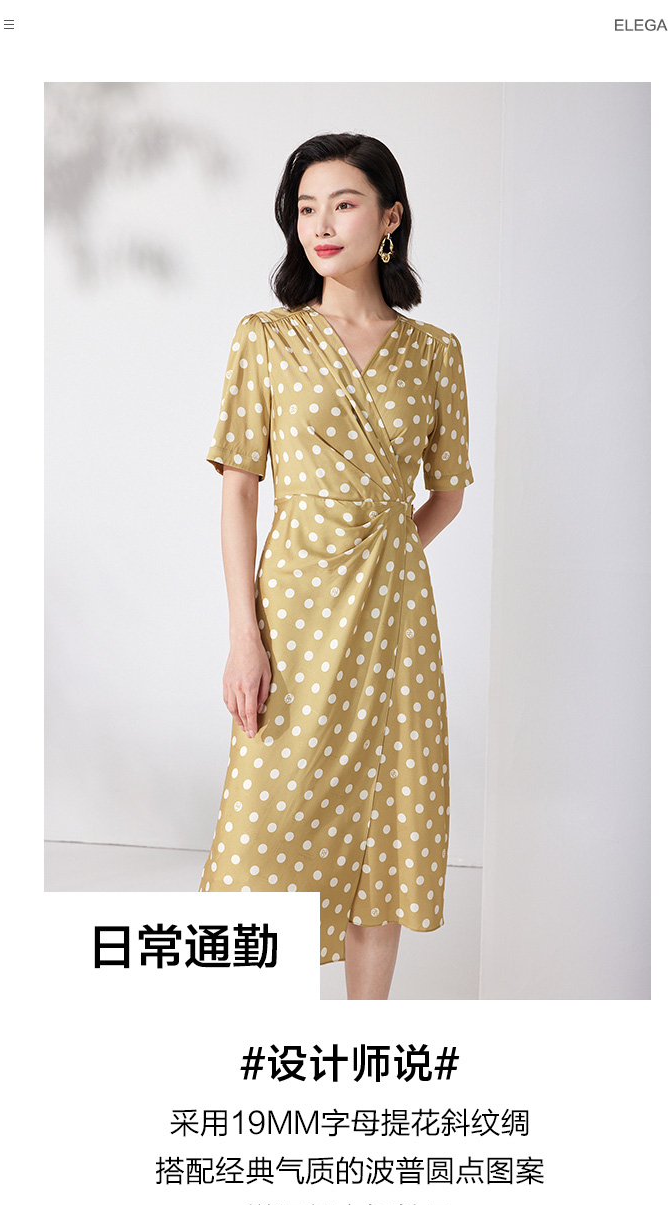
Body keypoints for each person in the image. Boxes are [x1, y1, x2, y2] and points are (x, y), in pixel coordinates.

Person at [199, 132, 473, 1000]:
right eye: (305, 208)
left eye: (343, 204)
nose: (320, 224)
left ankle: (364, 1042)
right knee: (262, 829)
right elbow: (239, 489)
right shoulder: (266, 339)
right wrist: (244, 635)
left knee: (384, 835)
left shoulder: (436, 353)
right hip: (292, 612)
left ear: (390, 219)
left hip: (396, 624)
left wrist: (385, 556)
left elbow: (448, 494)